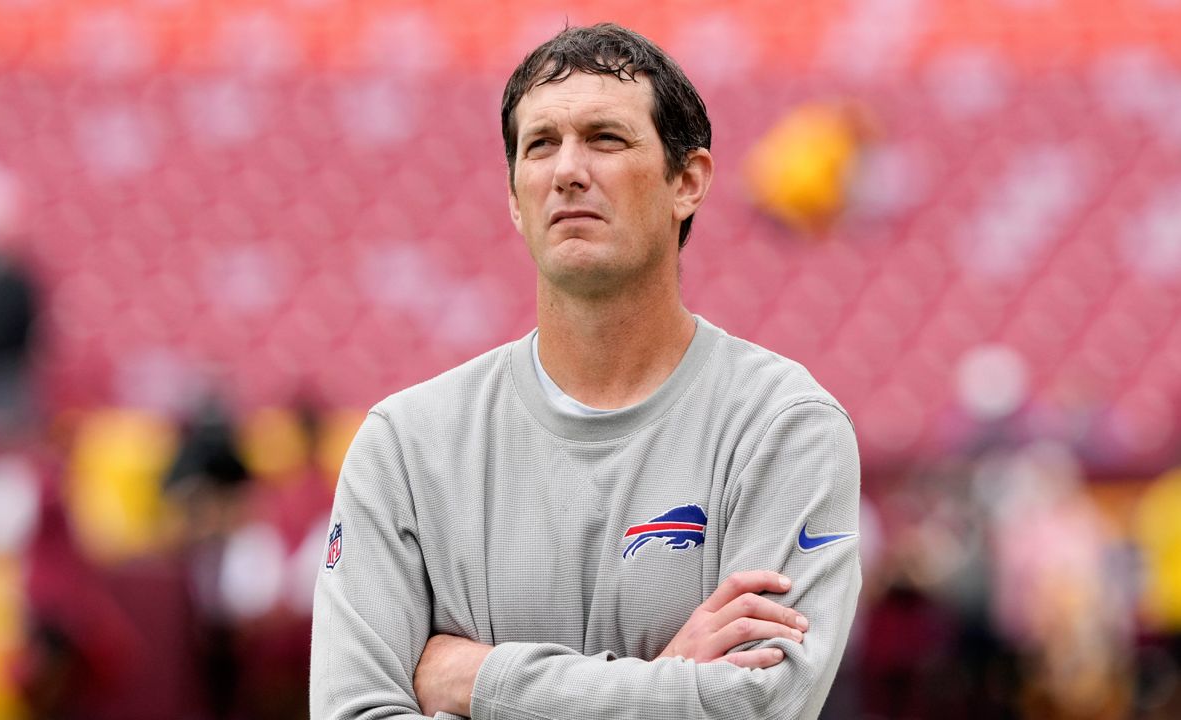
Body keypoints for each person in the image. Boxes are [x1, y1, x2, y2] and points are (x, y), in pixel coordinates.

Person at [311, 23, 861, 720]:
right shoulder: (405, 447)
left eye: (606, 137)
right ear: (514, 196)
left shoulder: (783, 428)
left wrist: (478, 682)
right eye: (540, 144)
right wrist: (665, 684)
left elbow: (756, 708)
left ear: (687, 181)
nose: (568, 169)